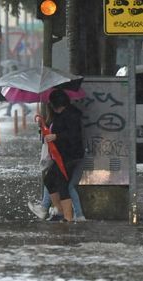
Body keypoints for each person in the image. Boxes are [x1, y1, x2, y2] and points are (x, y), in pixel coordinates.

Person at [27, 89, 85, 222]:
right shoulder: (59, 115)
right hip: (60, 155)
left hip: (69, 156)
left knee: (62, 184)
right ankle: (59, 210)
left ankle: (68, 217)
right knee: (49, 180)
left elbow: (74, 135)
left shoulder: (71, 115)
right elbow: (53, 127)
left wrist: (56, 136)